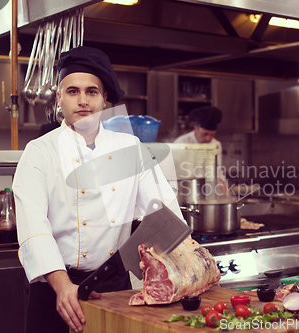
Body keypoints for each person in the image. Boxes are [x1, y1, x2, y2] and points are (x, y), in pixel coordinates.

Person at [12, 46, 183, 333]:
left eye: (91, 91)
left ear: (104, 99)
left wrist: (181, 266)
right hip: (55, 288)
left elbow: (164, 214)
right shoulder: (39, 151)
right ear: (59, 98)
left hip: (112, 287)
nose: (82, 100)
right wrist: (62, 284)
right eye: (72, 91)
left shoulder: (129, 148)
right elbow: (33, 228)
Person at [173, 106, 228, 193]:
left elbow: (217, 169)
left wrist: (221, 181)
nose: (208, 138)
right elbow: (174, 173)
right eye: (205, 134)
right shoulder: (181, 143)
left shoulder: (216, 144)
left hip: (208, 191)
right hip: (184, 190)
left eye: (212, 135)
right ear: (196, 128)